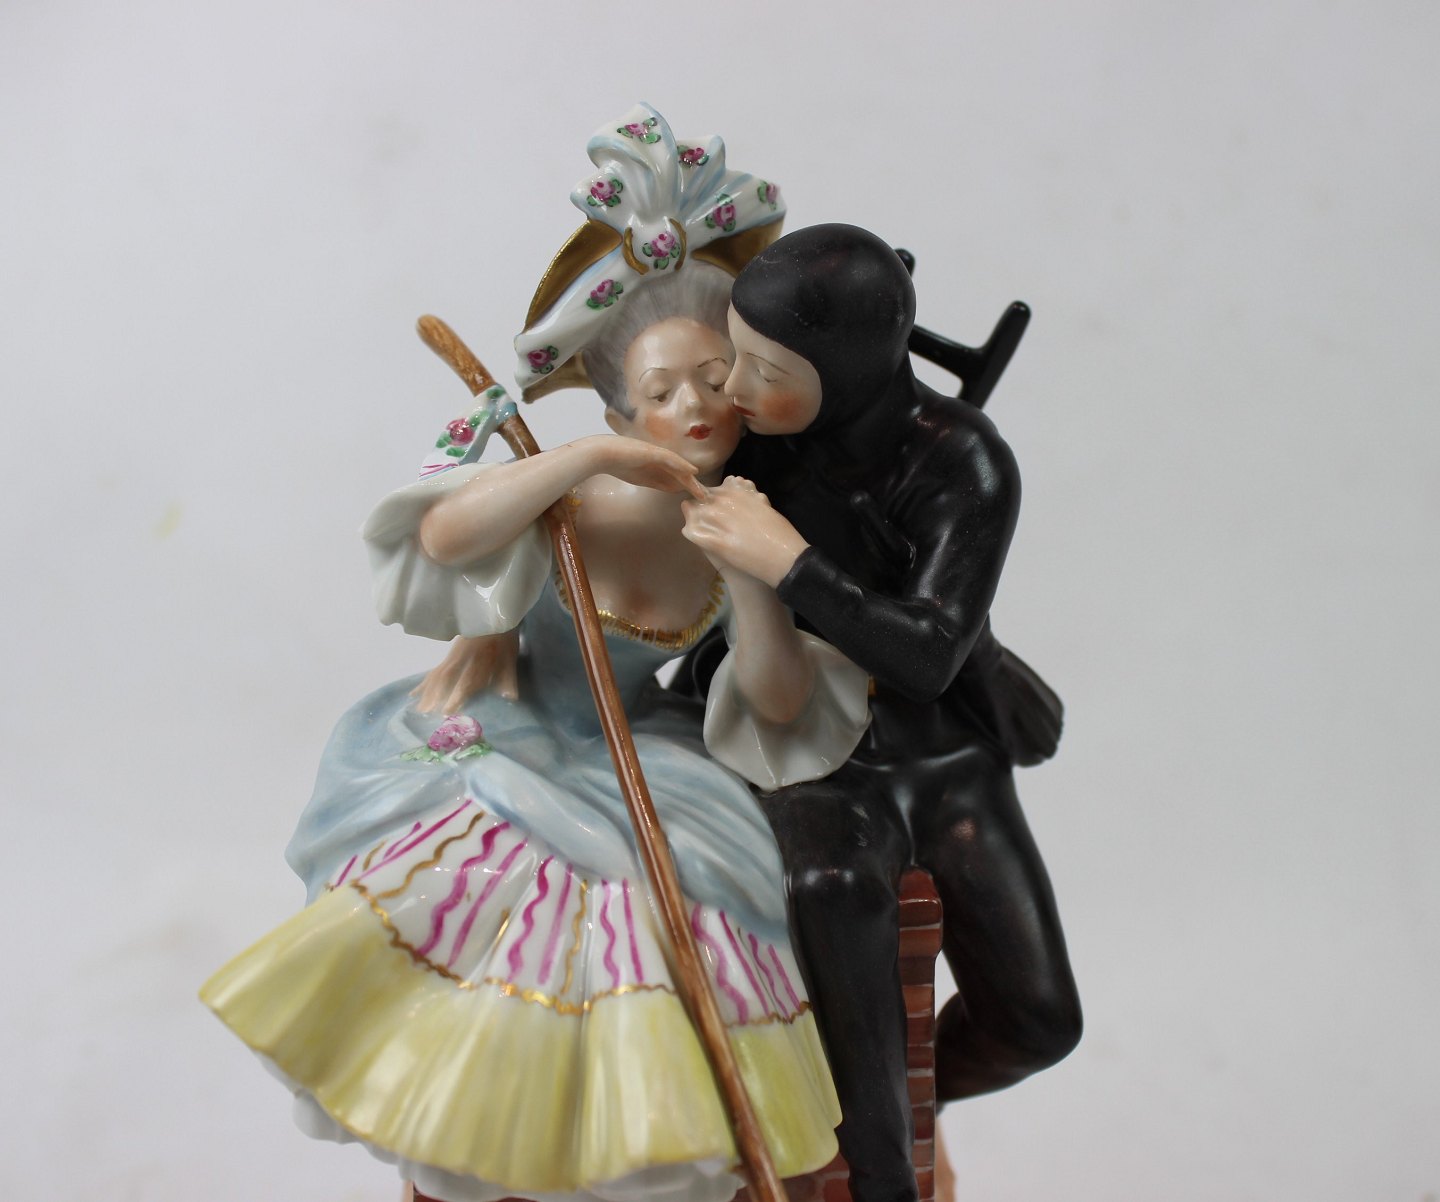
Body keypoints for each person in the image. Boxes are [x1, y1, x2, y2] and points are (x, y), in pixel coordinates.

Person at [202, 112, 869, 1202]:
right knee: (508, 867)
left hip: (645, 749)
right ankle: (471, 1109)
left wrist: (755, 576)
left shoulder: (739, 521)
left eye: (714, 380)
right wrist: (586, 458)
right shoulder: (574, 498)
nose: (693, 409)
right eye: (659, 393)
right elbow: (443, 536)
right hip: (510, 723)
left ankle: (640, 1131)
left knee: (683, 894)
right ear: (618, 406)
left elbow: (780, 702)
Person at [677, 224, 1082, 1202]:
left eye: (768, 369)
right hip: (808, 747)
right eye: (737, 353)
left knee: (1037, 1020)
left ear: (850, 370)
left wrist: (791, 563)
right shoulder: (758, 441)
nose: (735, 386)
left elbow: (932, 653)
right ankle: (879, 1176)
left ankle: (908, 1109)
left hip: (942, 750)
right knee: (831, 881)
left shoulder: (963, 461)